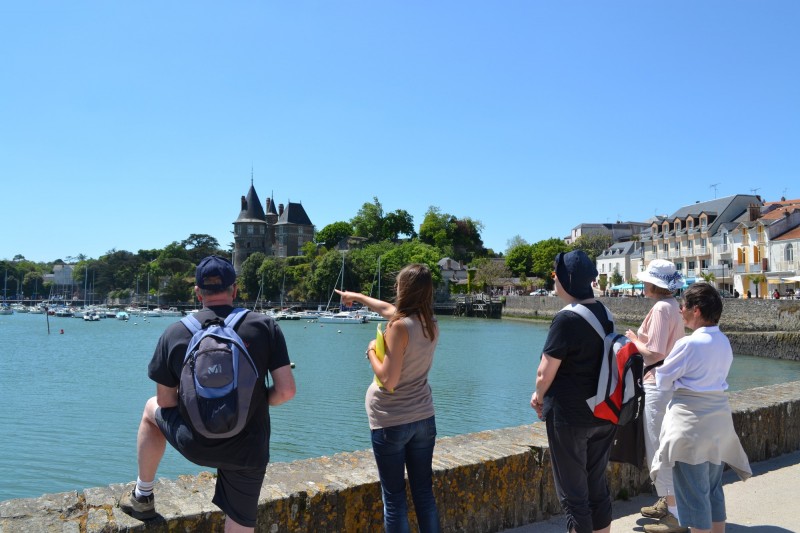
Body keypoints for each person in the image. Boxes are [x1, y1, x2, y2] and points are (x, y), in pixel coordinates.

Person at [120, 255, 296, 532]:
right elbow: (286, 391)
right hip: (248, 449)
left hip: (195, 444)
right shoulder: (264, 326)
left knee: (150, 408)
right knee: (240, 525)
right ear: (235, 290)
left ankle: (143, 495)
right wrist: (256, 400)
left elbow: (166, 402)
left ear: (198, 292)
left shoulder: (175, 332)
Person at [335, 263, 441, 533]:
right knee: (424, 494)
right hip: (423, 418)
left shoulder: (399, 328)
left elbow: (388, 379)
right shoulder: (430, 323)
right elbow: (385, 308)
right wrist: (356, 297)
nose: (394, 288)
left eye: (398, 284)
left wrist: (371, 350)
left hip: (391, 420)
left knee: (393, 499)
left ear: (403, 289)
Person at [650, 283, 752, 533]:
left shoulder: (688, 344)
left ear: (696, 310)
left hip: (691, 425)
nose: (680, 311)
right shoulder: (723, 341)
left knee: (692, 494)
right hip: (718, 423)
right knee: (712, 489)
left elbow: (663, 380)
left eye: (683, 306)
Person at [530, 250, 615, 533]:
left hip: (570, 417)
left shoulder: (565, 319)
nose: (553, 282)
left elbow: (545, 371)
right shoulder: (606, 314)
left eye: (555, 276)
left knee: (574, 497)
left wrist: (538, 396)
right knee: (597, 489)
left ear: (566, 281)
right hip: (604, 413)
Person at [624, 260, 686, 533]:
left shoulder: (661, 308)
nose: (643, 284)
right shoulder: (672, 306)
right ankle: (669, 503)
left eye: (647, 280)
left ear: (655, 284)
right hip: (668, 382)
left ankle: (674, 514)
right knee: (665, 444)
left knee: (657, 446)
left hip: (657, 382)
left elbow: (654, 353)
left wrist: (632, 340)